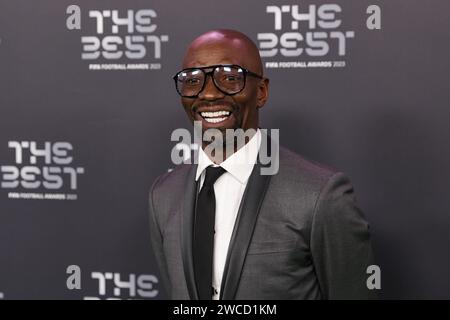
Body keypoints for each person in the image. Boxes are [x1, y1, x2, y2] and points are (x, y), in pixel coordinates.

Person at [148, 29, 376, 300]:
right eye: (193, 80)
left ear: (262, 92)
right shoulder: (163, 195)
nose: (208, 95)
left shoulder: (320, 195)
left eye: (230, 78)